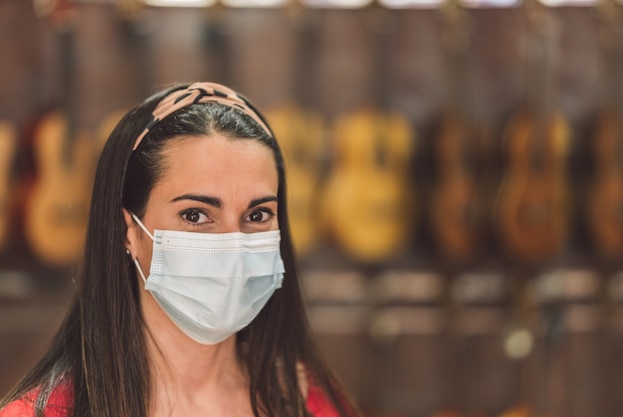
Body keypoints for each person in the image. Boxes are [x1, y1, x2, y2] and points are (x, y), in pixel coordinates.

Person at [0, 82, 358, 417]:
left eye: (258, 214)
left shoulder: (309, 402)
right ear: (129, 230)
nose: (233, 243)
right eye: (195, 214)